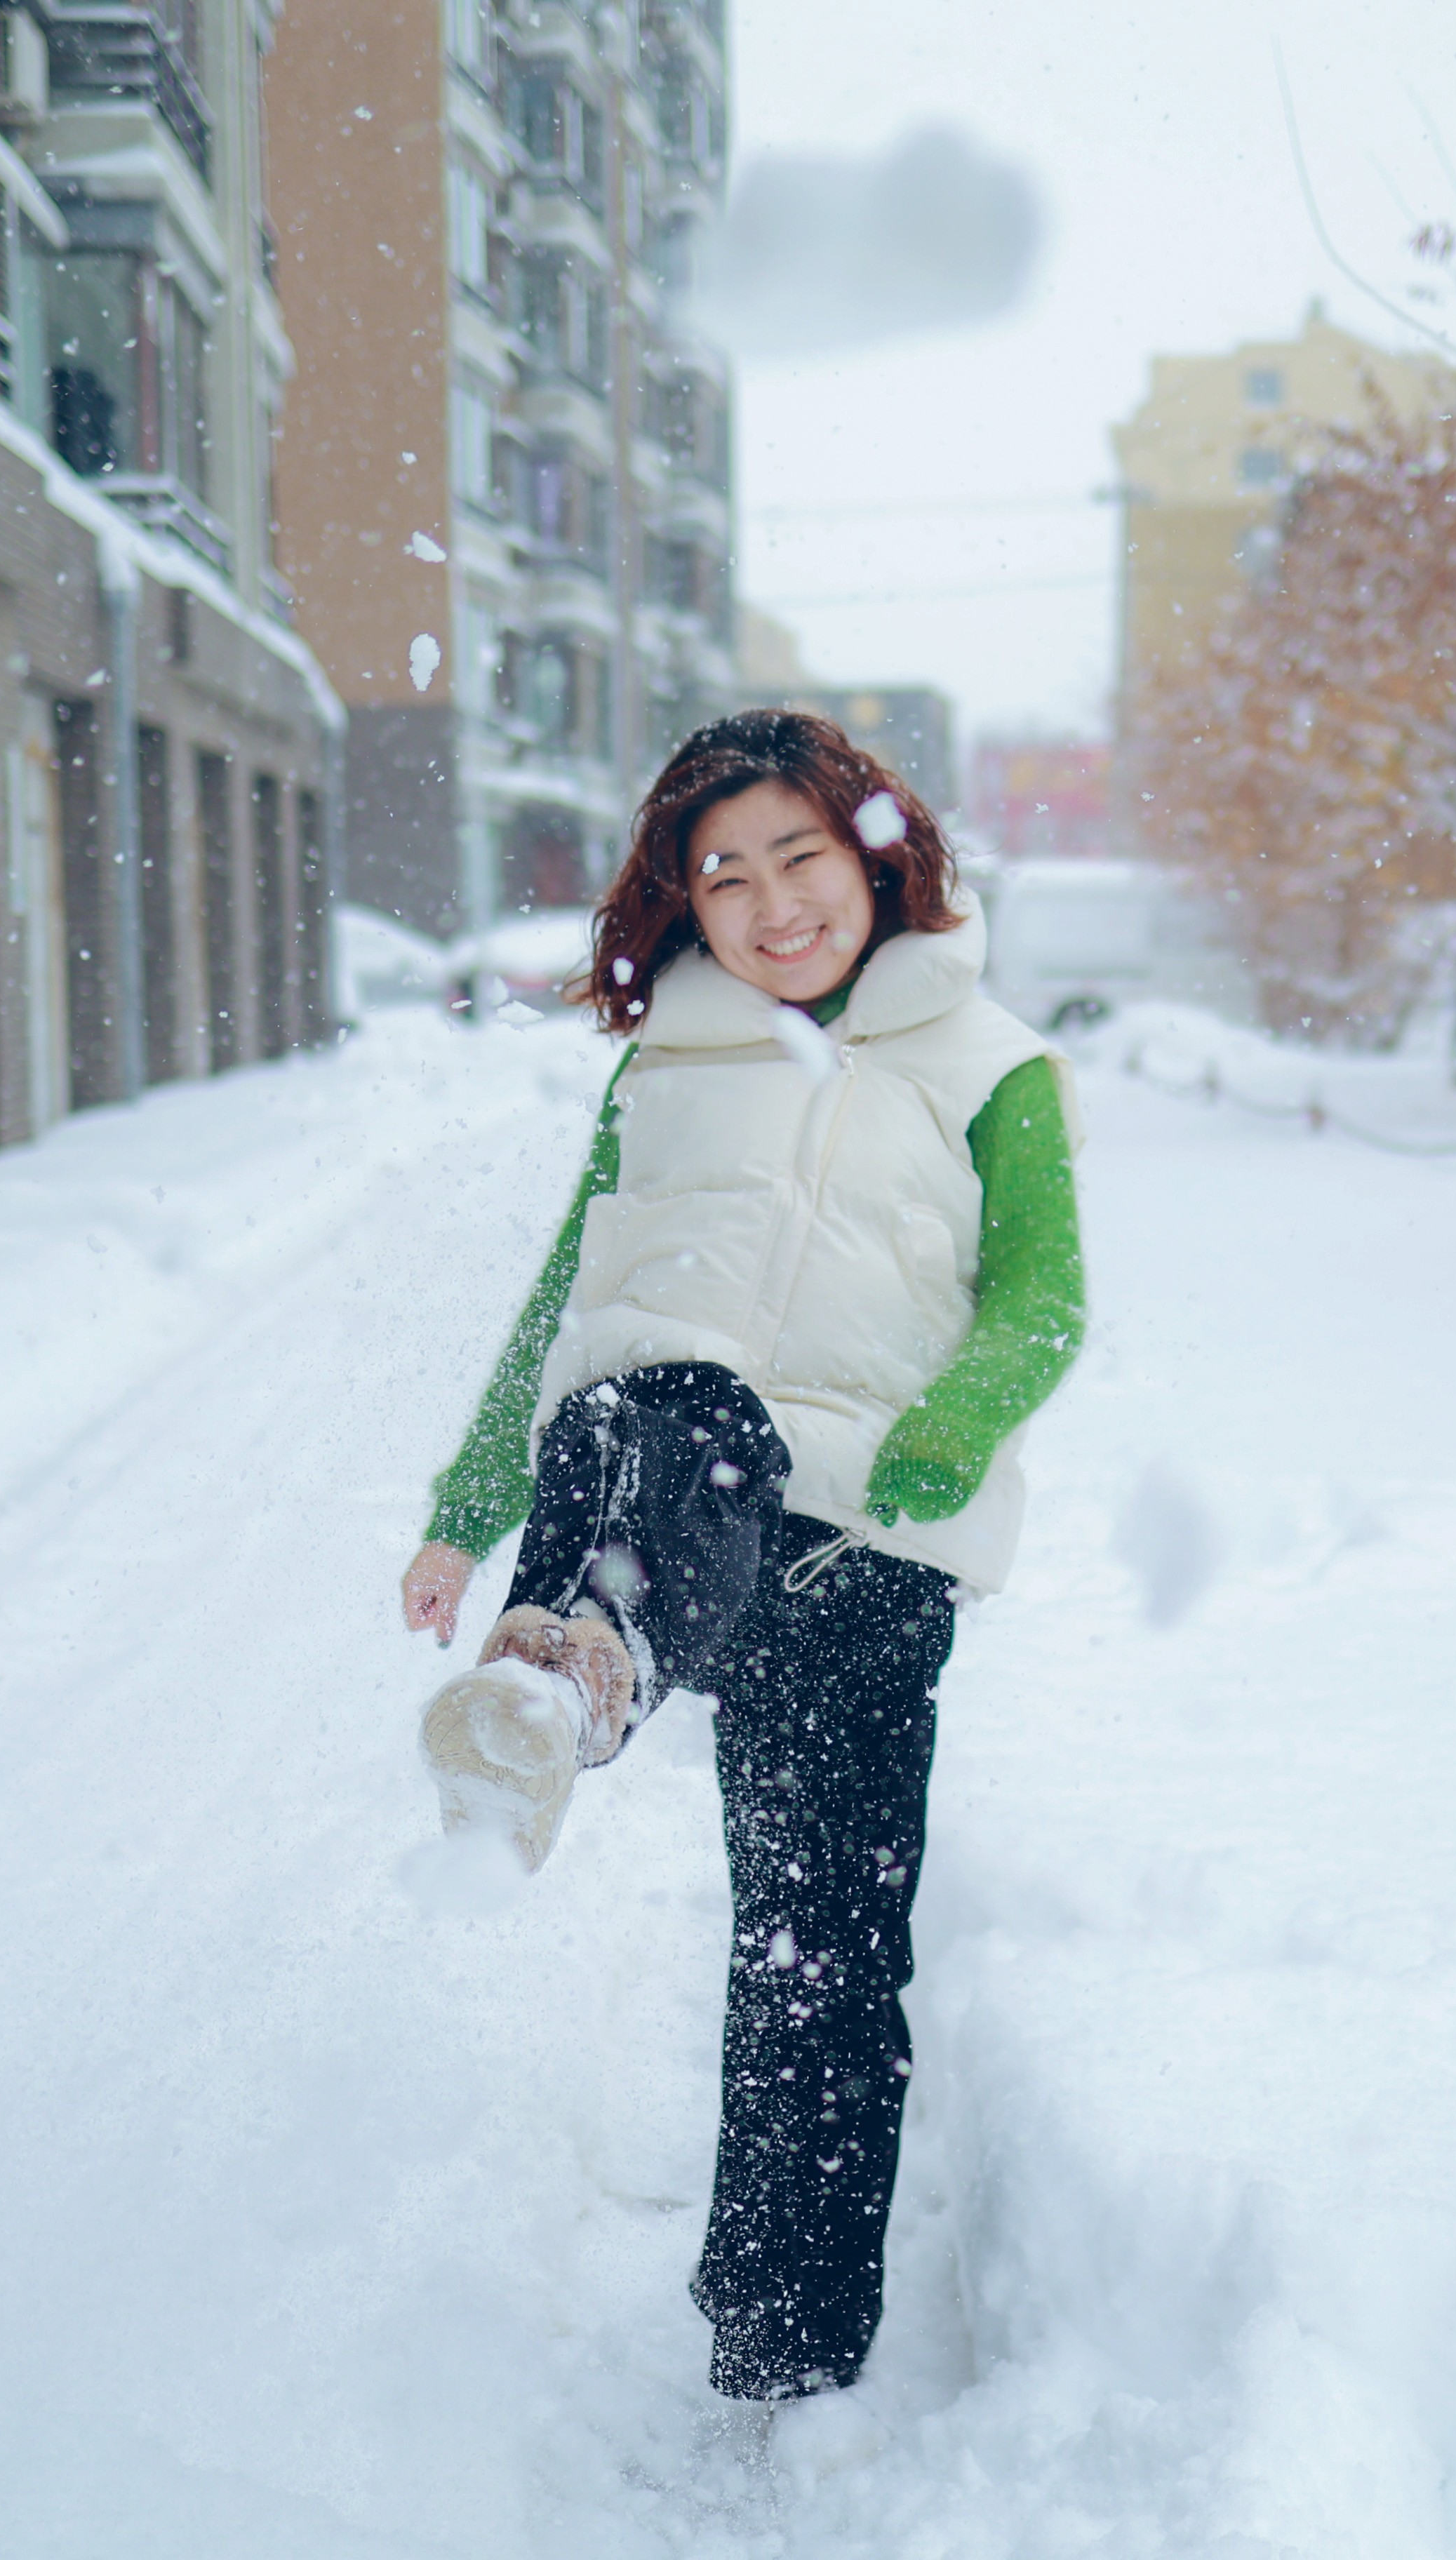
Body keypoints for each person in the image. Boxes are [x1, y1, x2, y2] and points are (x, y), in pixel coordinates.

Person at [396, 707, 1086, 2437]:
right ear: (680, 902)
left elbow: (1044, 1300)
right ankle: (563, 1676)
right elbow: (568, 1291)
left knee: (823, 1958)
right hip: (656, 1473)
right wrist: (465, 1506)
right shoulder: (668, 1065)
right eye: (725, 874)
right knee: (681, 1395)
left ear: (874, 855)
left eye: (800, 858)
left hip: (865, 1545)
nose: (773, 905)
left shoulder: (993, 1064)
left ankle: (784, 2342)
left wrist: (955, 1424)